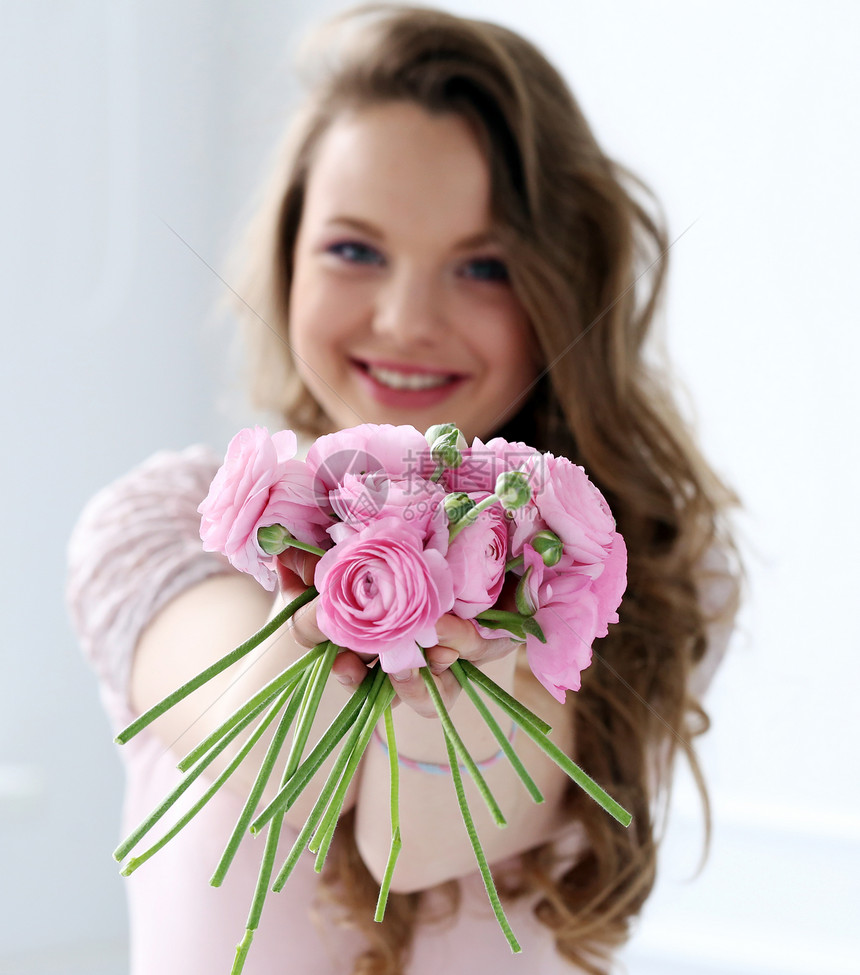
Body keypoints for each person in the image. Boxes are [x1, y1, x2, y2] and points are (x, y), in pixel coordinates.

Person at [67, 5, 740, 974]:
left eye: (482, 266)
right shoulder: (166, 523)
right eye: (354, 250)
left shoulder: (628, 565)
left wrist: (457, 592)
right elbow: (266, 761)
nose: (403, 319)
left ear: (563, 283)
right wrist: (332, 612)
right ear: (288, 256)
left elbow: (412, 844)